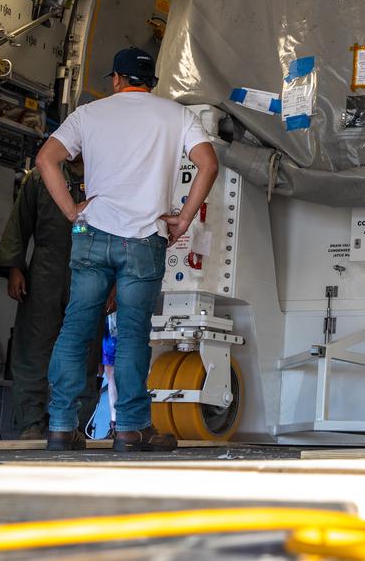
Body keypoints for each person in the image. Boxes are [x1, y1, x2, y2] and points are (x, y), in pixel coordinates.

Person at [37, 47, 218, 452]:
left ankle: (61, 427)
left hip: (93, 234)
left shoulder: (89, 115)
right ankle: (130, 429)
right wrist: (184, 217)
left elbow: (46, 159)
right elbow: (208, 163)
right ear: (151, 81)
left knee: (74, 331)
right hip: (144, 240)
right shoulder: (176, 115)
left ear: (117, 79)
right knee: (134, 336)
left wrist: (72, 210)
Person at [0, 157, 103, 440]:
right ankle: (32, 422)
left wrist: (113, 285)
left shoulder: (106, 176)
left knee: (86, 349)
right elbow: (19, 224)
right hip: (45, 269)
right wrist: (15, 268)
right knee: (34, 347)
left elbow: (120, 234)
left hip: (92, 270)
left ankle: (73, 424)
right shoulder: (41, 176)